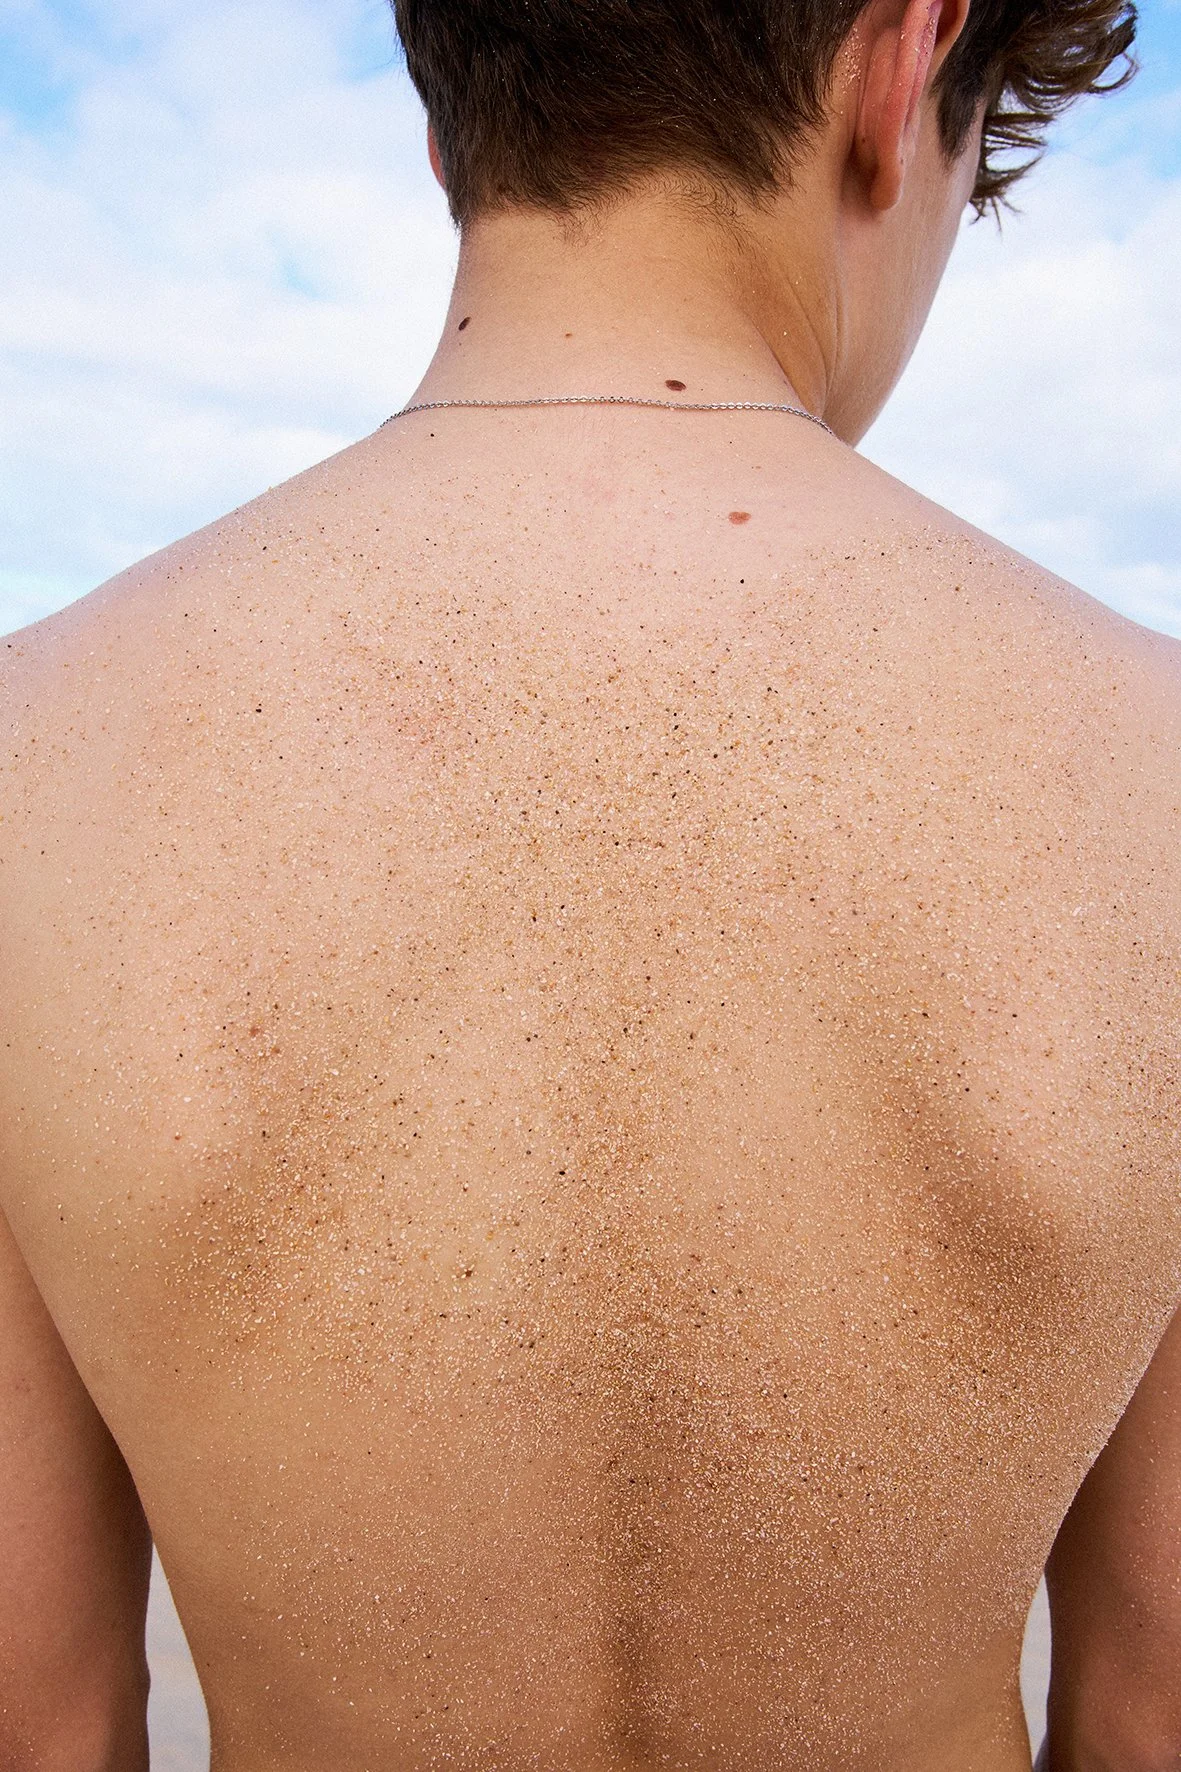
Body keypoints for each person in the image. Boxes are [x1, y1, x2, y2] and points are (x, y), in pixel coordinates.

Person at [1, 0, 1178, 1766]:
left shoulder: (37, 768)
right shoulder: (1152, 777)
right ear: (898, 66)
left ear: (447, 126)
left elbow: (47, 1716)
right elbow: (1152, 1709)